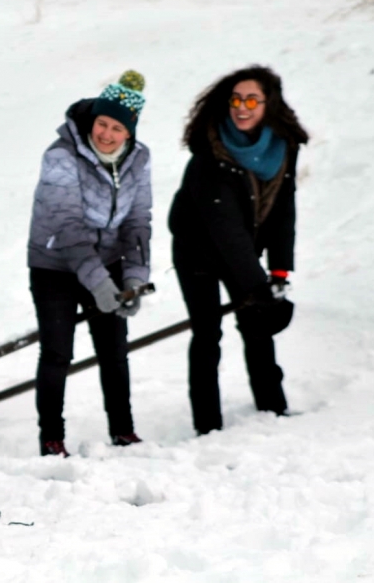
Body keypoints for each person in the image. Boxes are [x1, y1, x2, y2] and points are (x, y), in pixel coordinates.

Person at [168, 66, 307, 435]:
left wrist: (279, 271)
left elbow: (282, 210)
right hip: (197, 251)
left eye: (251, 100)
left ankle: (272, 406)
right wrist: (257, 285)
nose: (241, 108)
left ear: (268, 104)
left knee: (256, 326)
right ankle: (207, 425)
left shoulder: (282, 147)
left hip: (241, 249)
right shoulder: (210, 154)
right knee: (207, 332)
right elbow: (224, 227)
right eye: (235, 99)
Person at [27, 71, 152, 456]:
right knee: (57, 352)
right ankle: (51, 437)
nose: (107, 134)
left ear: (129, 133)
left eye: (117, 128)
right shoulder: (60, 156)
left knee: (114, 348)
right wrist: (99, 283)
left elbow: (138, 221)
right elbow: (67, 227)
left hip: (108, 260)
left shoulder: (139, 159)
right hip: (53, 264)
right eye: (102, 123)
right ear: (92, 120)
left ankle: (123, 430)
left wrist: (133, 277)